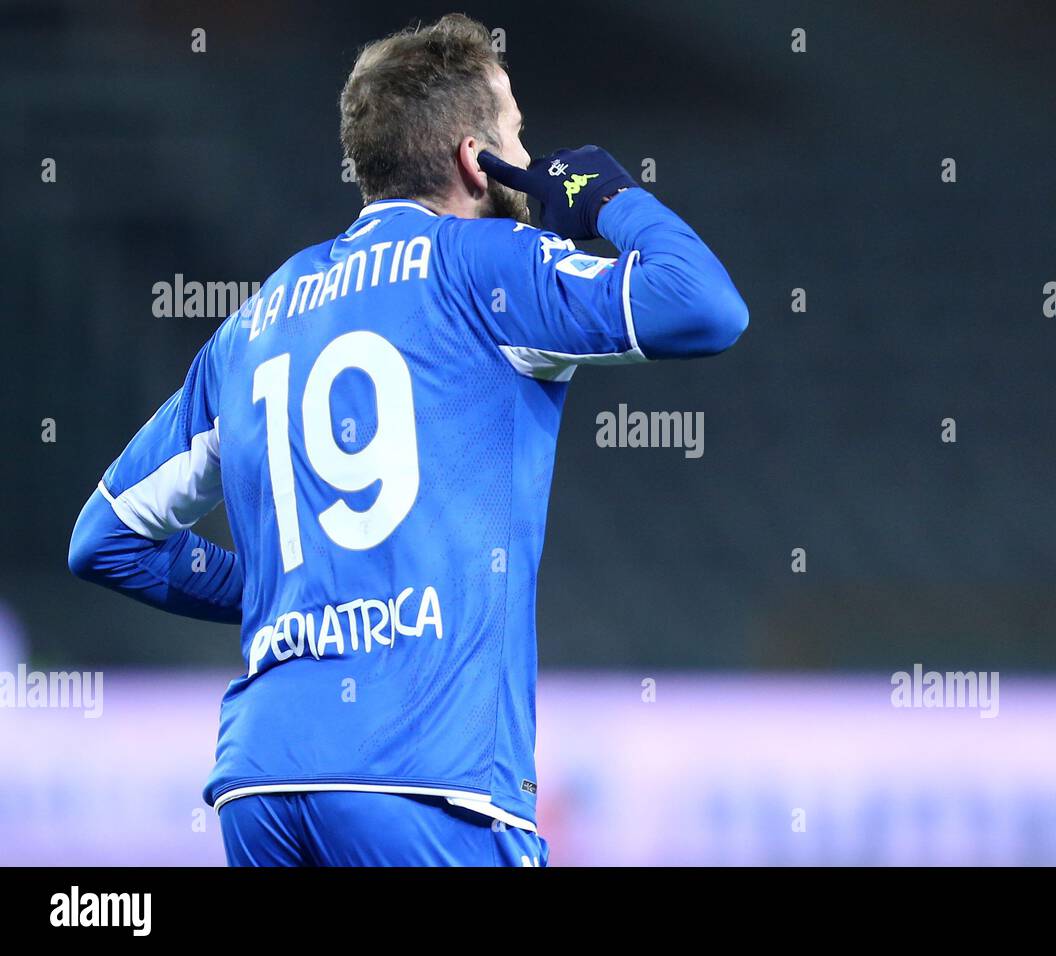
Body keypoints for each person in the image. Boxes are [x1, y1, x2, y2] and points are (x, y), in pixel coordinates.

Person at [68, 13, 747, 866]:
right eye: (517, 134)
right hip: (429, 778)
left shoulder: (253, 322)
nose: (529, 157)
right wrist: (613, 199)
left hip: (262, 782)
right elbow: (705, 306)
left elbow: (105, 540)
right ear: (476, 158)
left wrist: (283, 599)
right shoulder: (487, 264)